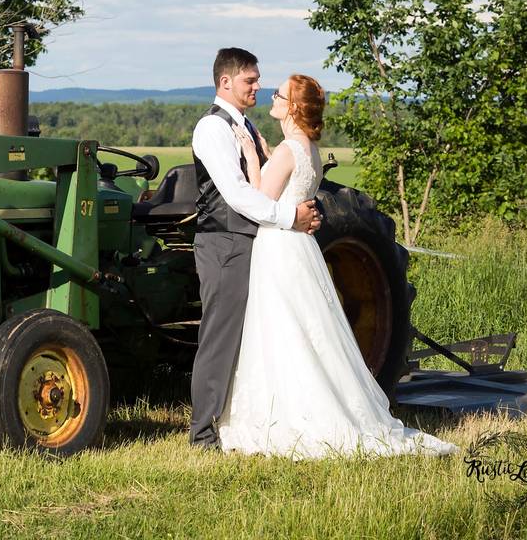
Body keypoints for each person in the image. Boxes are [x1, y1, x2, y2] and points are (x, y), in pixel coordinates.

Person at [216, 74, 459, 459]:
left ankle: (286, 414)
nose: (272, 99)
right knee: (305, 329)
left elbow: (262, 201)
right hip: (301, 248)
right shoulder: (307, 148)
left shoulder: (286, 151)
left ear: (293, 107)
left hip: (279, 247)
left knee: (280, 328)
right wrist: (265, 152)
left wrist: (250, 159)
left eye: (279, 95)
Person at [190, 48, 322, 450]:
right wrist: (289, 217)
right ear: (225, 82)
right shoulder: (212, 129)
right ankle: (203, 433)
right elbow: (236, 196)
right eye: (251, 80)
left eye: (259, 80)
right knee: (221, 336)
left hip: (260, 243)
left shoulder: (246, 126)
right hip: (226, 242)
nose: (258, 87)